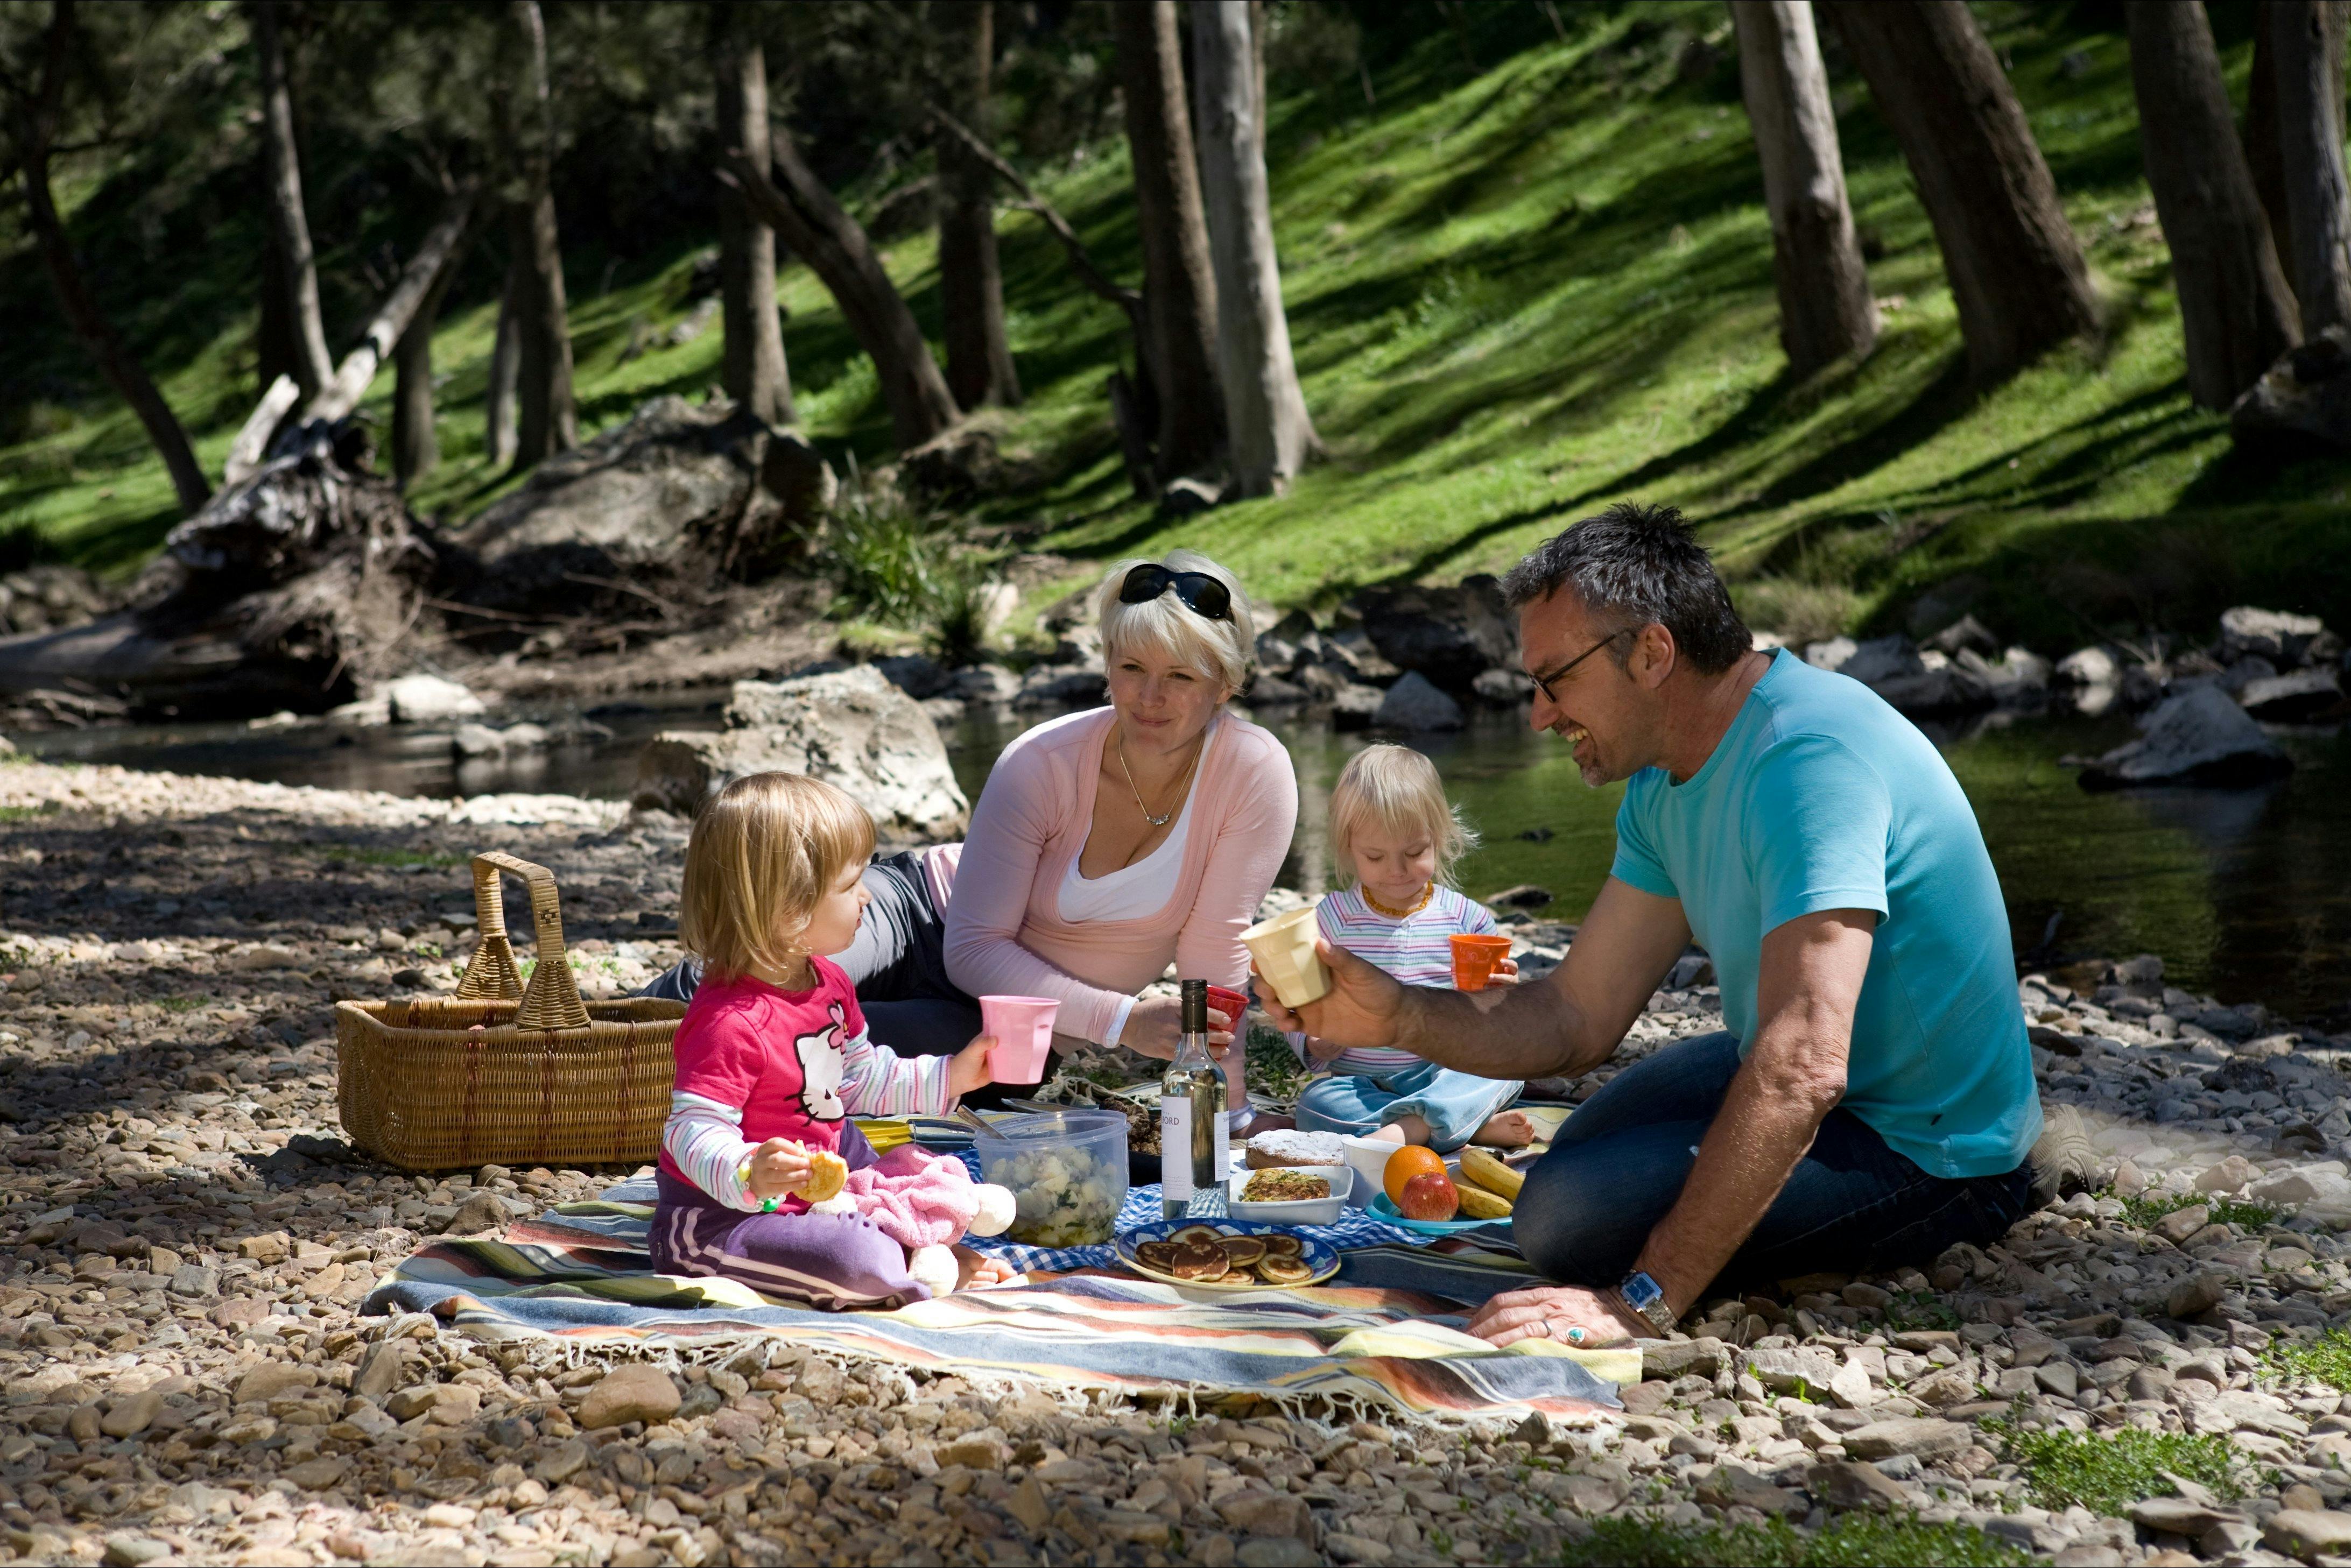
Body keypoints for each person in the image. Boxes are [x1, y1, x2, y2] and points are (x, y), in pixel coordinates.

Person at [1256, 503, 2044, 1348]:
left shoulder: (1807, 761)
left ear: (1653, 651)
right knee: (1570, 1173)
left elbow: (1804, 1061)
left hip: (1934, 1148)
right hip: (1814, 1068)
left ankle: (1990, 1194)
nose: (1538, 715)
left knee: (1565, 1217)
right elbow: (1576, 1014)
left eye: (1554, 679)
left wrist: (1643, 1300)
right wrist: (1395, 1013)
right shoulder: (1665, 782)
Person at [643, 549, 1299, 1127]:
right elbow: (975, 947)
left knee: (805, 1050)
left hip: (1021, 1023)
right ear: (1106, 663)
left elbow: (1215, 958)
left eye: (1181, 676)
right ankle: (592, 1041)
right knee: (760, 965)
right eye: (1132, 667)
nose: (1150, 697)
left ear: (1227, 683)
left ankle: (658, 1091)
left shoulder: (1253, 774)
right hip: (913, 913)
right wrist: (1124, 1021)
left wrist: (1230, 1110)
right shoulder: (1041, 761)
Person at [651, 772, 1016, 1310]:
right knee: (853, 1260)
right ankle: (911, 1258)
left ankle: (912, 1246)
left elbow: (859, 1078)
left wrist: (952, 1075)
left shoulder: (830, 982)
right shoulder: (728, 1020)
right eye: (849, 886)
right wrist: (750, 1171)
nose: (867, 896)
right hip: (726, 1216)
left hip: (823, 1182)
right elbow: (692, 1131)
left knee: (925, 1168)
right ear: (787, 909)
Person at [1287, 744, 1535, 1152]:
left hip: (1443, 1072)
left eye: (1415, 852)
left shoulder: (1468, 920)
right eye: (1375, 856)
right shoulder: (1330, 921)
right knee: (1316, 1104)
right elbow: (1300, 1006)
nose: (1397, 870)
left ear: (1439, 837)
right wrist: (1315, 1041)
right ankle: (1462, 1126)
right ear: (1348, 849)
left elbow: (1492, 1024)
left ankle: (1410, 1132)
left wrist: (1500, 997)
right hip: (1363, 1086)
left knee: (1509, 1067)